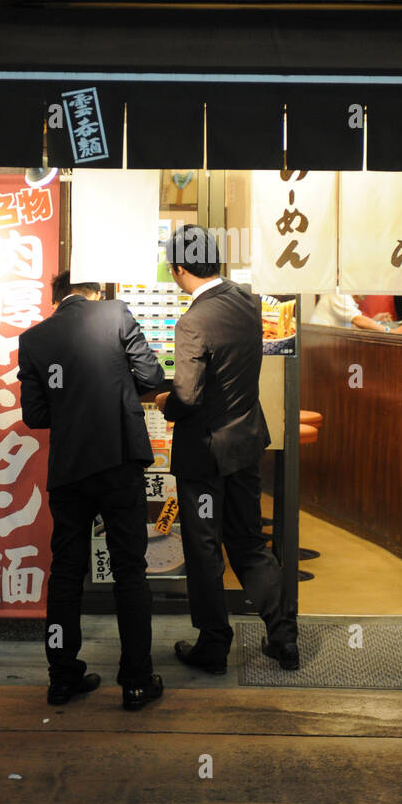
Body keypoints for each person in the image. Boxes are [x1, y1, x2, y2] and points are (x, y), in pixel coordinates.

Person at [18, 271, 166, 711]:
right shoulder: (116, 313)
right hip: (119, 461)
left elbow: (35, 415)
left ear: (57, 298)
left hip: (70, 470)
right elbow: (151, 375)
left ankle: (61, 678)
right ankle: (136, 682)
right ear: (94, 291)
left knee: (65, 571)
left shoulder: (34, 340)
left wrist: (72, 406)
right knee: (129, 571)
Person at [155, 226, 299, 673]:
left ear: (180, 270)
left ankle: (214, 644)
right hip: (245, 444)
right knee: (250, 542)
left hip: (204, 454)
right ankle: (284, 638)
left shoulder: (192, 321)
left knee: (204, 549)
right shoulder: (247, 301)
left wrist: (165, 403)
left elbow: (188, 395)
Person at [309, 291, 402, 334]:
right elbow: (358, 320)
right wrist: (392, 331)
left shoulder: (347, 299)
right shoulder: (338, 293)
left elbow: (353, 323)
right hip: (319, 344)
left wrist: (374, 320)